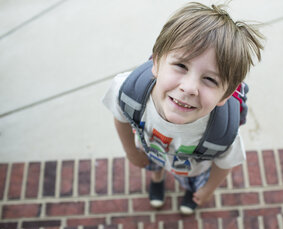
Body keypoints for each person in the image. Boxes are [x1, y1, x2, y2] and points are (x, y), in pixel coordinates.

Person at [102, 2, 264, 214]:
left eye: (209, 79)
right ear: (157, 62)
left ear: (225, 95)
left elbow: (225, 164)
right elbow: (120, 117)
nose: (189, 88)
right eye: (181, 66)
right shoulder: (130, 91)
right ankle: (157, 178)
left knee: (192, 181)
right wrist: (131, 151)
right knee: (154, 164)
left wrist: (207, 189)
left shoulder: (222, 132)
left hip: (193, 169)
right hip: (151, 150)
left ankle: (191, 191)